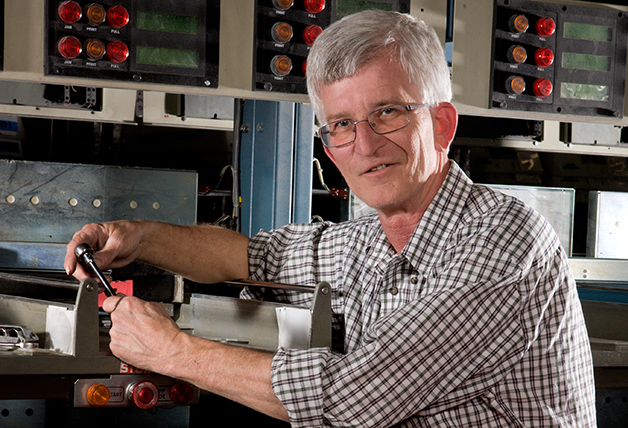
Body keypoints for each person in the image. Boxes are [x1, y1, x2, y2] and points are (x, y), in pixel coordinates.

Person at [64, 9, 596, 427]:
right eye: (341, 124)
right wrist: (136, 237)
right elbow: (250, 257)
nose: (363, 144)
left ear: (441, 123)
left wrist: (173, 352)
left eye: (387, 112)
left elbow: (357, 399)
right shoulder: (367, 241)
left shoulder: (502, 238)